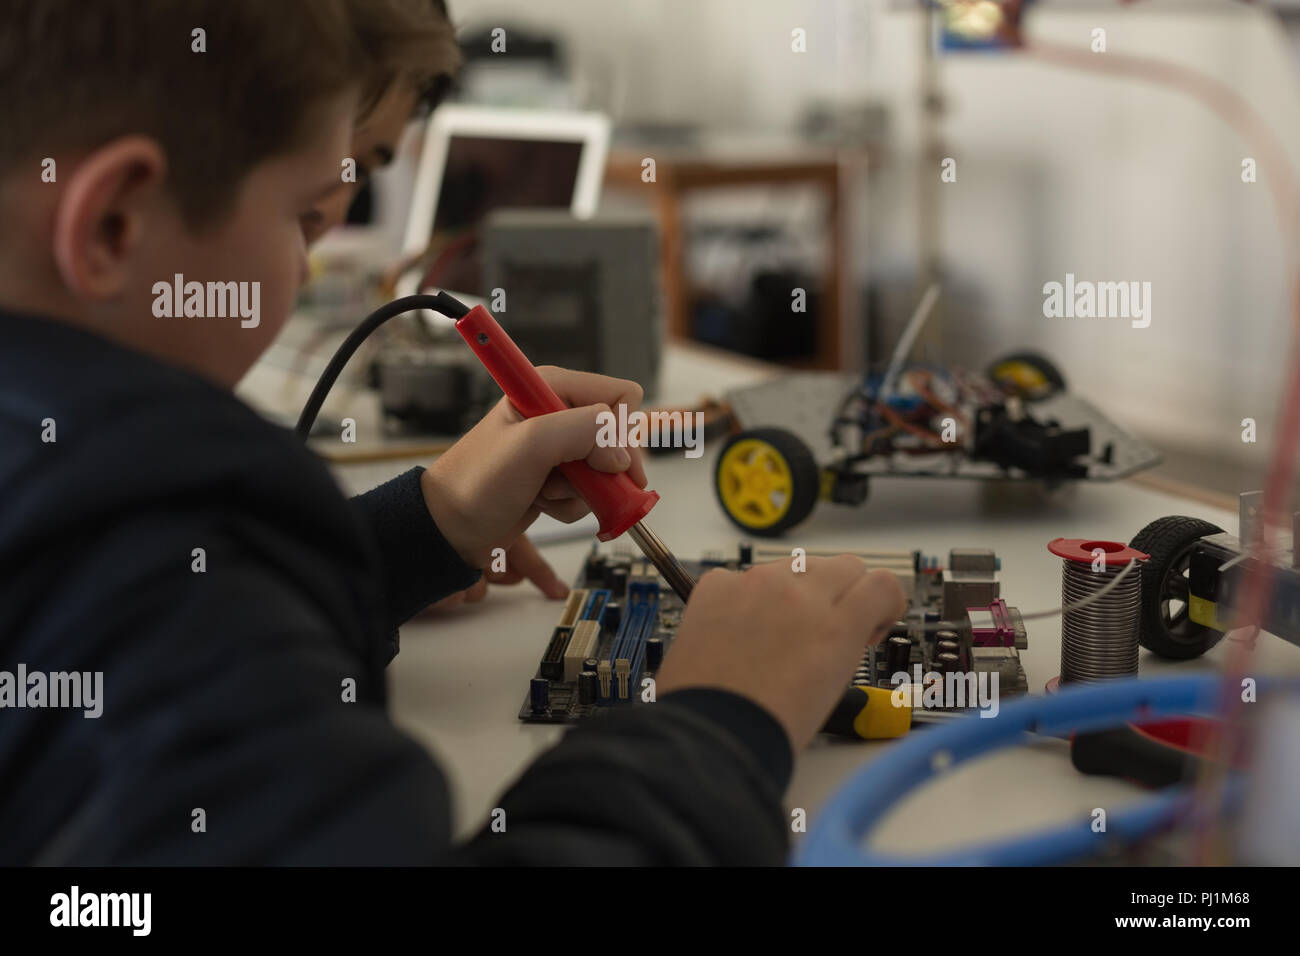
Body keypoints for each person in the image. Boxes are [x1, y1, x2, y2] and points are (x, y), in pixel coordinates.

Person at [0, 0, 905, 865]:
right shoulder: (153, 556)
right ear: (114, 224)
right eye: (304, 216)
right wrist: (721, 723)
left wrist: (417, 533)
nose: (308, 265)